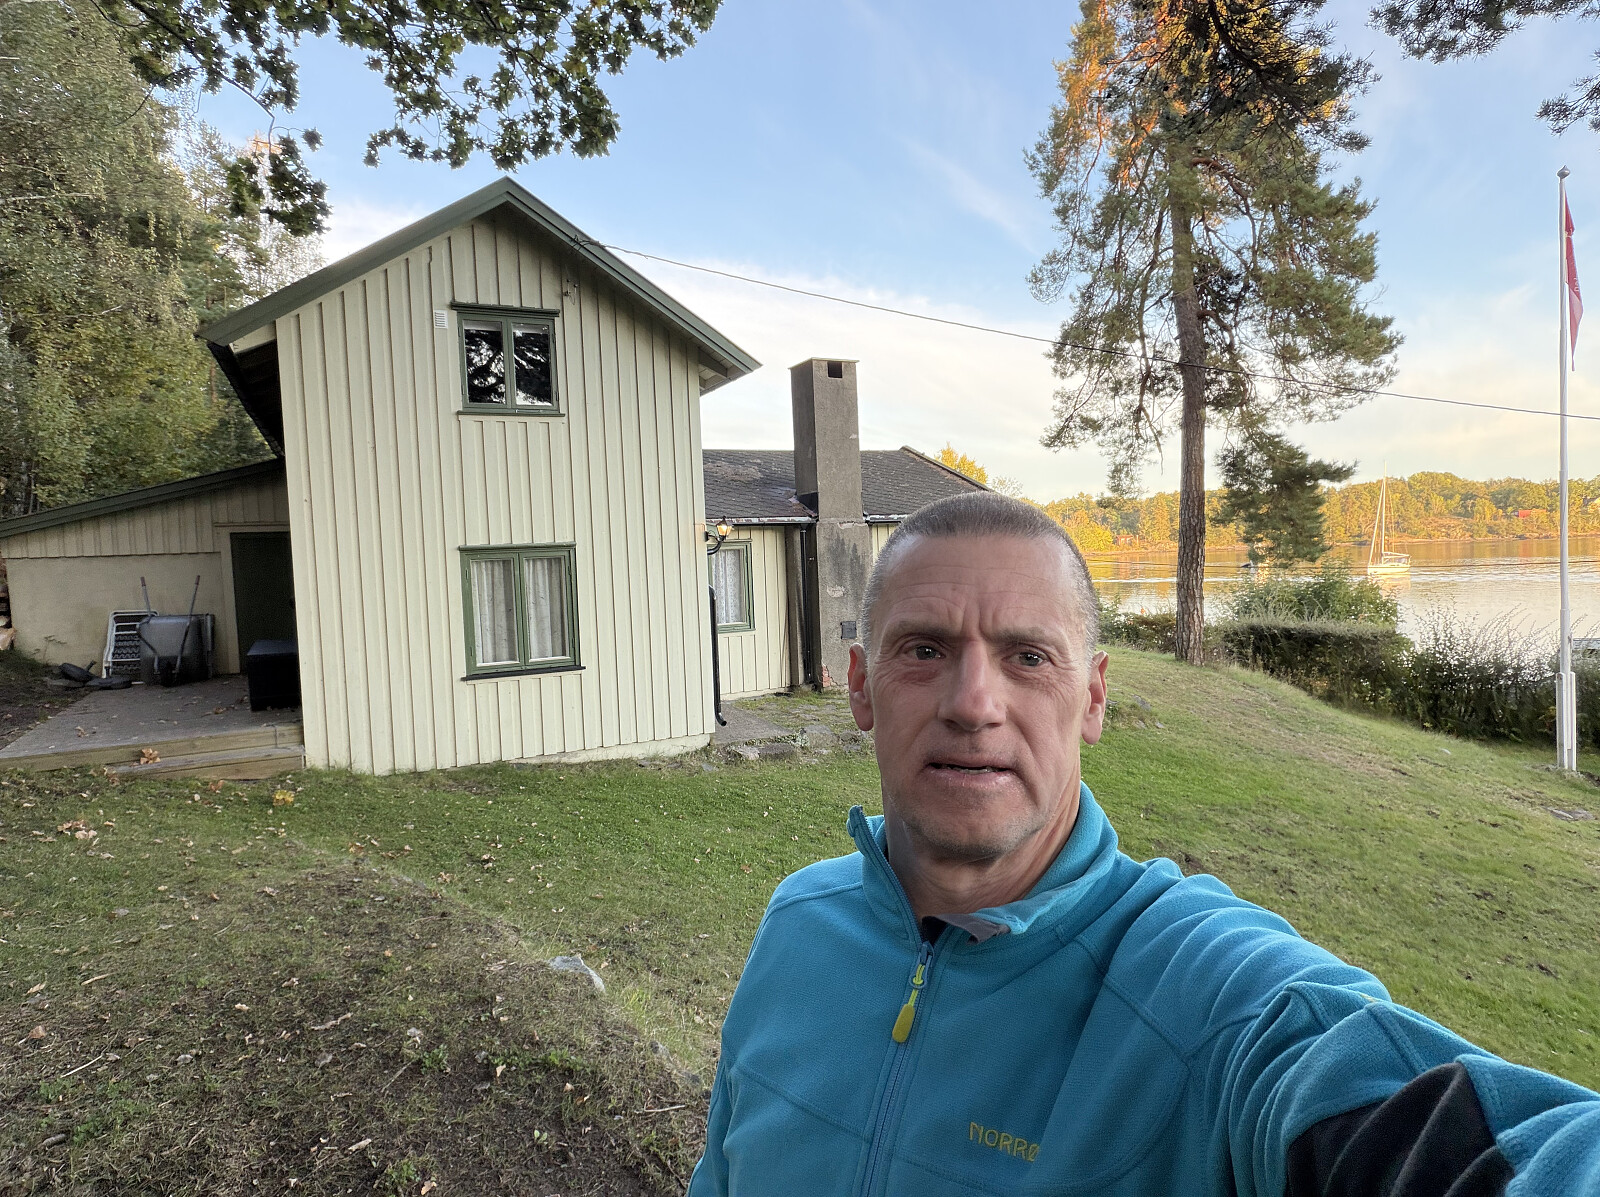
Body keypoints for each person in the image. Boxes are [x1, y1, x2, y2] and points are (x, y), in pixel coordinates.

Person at [687, 492, 1600, 1197]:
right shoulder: (796, 925)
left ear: (1092, 697)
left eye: (1028, 657)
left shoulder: (1198, 990)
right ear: (859, 686)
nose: (973, 702)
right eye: (924, 649)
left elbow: (1411, 1112)